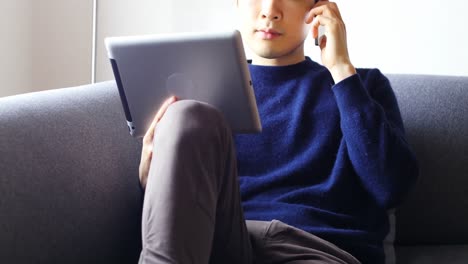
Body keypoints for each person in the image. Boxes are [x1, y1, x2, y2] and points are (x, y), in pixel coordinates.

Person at [137, 0, 419, 263]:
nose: (270, 10)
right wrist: (152, 174)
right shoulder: (204, 91)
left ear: (318, 6)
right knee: (184, 114)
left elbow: (390, 188)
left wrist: (342, 69)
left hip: (314, 249)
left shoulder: (362, 87)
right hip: (221, 243)